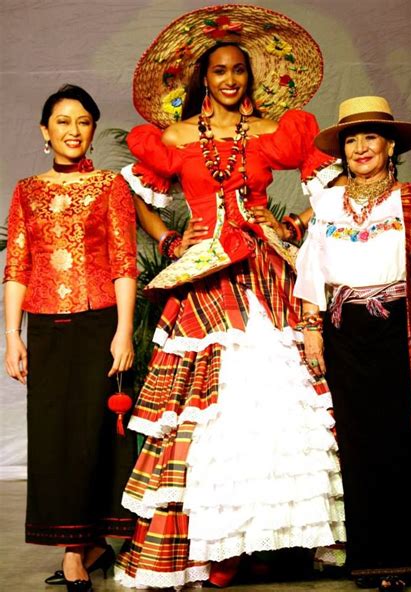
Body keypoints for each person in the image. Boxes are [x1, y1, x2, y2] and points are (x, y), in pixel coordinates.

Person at [114, 5, 344, 590]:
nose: (230, 79)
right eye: (219, 70)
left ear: (249, 76)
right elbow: (133, 188)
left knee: (278, 401)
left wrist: (287, 228)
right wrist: (168, 237)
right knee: (210, 409)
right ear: (204, 79)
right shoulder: (176, 137)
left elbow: (331, 189)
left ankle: (265, 537)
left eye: (239, 69)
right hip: (206, 280)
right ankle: (217, 545)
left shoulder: (273, 132)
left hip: (265, 274)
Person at [293, 95, 411, 591]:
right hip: (343, 329)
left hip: (399, 325)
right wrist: (311, 329)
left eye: (370, 137)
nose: (360, 147)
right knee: (356, 442)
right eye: (351, 139)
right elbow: (312, 269)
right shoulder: (327, 202)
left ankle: (405, 557)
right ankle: (369, 557)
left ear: (390, 145)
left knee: (402, 439)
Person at [3, 84, 138, 592]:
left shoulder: (111, 186)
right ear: (45, 131)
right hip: (47, 326)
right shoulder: (26, 190)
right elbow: (17, 264)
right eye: (62, 121)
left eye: (83, 121)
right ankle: (78, 546)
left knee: (99, 433)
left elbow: (125, 262)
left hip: (101, 322)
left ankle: (87, 546)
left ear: (93, 130)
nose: (73, 131)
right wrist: (12, 337)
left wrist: (124, 330)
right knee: (57, 437)